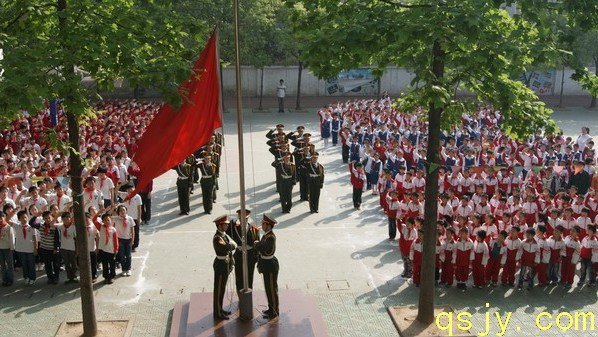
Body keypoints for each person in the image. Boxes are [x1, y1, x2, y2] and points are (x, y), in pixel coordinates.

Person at [227, 209, 260, 294]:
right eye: (241, 218)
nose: (243, 220)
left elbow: (257, 244)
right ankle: (240, 298)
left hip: (250, 255)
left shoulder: (254, 229)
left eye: (245, 218)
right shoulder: (234, 228)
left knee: (249, 277)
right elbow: (227, 229)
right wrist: (234, 219)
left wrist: (256, 258)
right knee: (239, 277)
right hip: (239, 254)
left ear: (248, 219)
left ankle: (248, 297)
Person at [254, 214, 279, 319]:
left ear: (268, 225)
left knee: (272, 289)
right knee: (268, 288)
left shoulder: (271, 237)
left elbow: (264, 248)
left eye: (263, 224)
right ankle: (271, 308)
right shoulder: (266, 235)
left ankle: (274, 311)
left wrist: (256, 244)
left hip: (270, 265)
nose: (262, 226)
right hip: (266, 265)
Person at [212, 215, 236, 321]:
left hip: (224, 264)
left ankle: (220, 309)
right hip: (220, 265)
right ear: (220, 225)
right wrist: (232, 245)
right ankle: (217, 312)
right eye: (225, 225)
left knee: (222, 289)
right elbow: (226, 247)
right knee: (218, 290)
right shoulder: (218, 238)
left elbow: (229, 249)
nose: (227, 226)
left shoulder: (223, 235)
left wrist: (231, 264)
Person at [13, 210, 38, 285]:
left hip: (30, 249)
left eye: (25, 217)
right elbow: (7, 220)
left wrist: (35, 248)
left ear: (27, 217)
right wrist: (13, 211)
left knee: (31, 264)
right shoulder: (17, 226)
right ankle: (26, 277)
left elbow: (35, 238)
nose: (24, 219)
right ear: (19, 219)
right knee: (24, 264)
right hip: (21, 249)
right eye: (22, 218)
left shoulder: (31, 226)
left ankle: (32, 278)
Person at [38, 211, 60, 284]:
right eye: (46, 218)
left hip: (53, 249)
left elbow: (57, 239)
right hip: (44, 248)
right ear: (43, 219)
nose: (48, 219)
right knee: (47, 265)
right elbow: (32, 223)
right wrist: (36, 216)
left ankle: (56, 277)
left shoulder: (54, 227)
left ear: (52, 218)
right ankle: (50, 277)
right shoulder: (41, 226)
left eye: (49, 218)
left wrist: (56, 248)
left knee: (56, 264)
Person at [56, 212, 78, 284]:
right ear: (62, 220)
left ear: (70, 219)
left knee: (73, 263)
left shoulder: (73, 227)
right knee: (67, 264)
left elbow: (76, 239)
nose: (66, 220)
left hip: (72, 248)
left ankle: (74, 276)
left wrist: (77, 249)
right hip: (63, 248)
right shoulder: (61, 226)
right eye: (64, 219)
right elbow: (51, 224)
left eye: (68, 218)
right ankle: (69, 277)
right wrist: (57, 216)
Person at [97, 213, 119, 284]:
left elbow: (115, 240)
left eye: (108, 220)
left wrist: (116, 249)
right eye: (105, 220)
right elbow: (94, 220)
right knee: (105, 264)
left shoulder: (113, 229)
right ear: (102, 221)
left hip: (111, 250)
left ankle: (112, 276)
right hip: (103, 249)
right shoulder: (100, 227)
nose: (107, 221)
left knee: (112, 264)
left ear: (111, 220)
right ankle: (106, 277)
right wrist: (99, 212)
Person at [114, 205, 135, 277]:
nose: (122, 212)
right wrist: (113, 207)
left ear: (126, 211)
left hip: (128, 239)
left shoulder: (130, 218)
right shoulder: (116, 219)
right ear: (118, 212)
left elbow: (132, 230)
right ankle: (123, 269)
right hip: (120, 239)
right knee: (122, 255)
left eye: (124, 210)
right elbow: (107, 216)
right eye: (120, 210)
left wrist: (132, 240)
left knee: (128, 255)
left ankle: (128, 269)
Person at [0, 211, 15, 286]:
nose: (0, 219)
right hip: (0, 248)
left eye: (1, 218)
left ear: (4, 217)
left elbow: (12, 238)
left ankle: (10, 279)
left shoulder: (8, 227)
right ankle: (4, 279)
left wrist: (12, 248)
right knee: (2, 265)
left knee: (9, 264)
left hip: (7, 248)